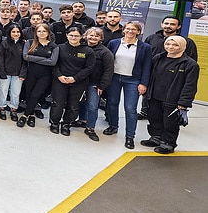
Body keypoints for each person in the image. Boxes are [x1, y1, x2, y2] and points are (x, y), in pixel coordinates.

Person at [142, 36, 199, 154]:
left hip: (173, 99)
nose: (170, 47)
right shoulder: (158, 58)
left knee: (170, 123)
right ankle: (156, 137)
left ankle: (169, 143)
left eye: (175, 45)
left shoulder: (190, 64)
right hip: (154, 95)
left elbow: (190, 85)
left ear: (183, 47)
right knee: (154, 118)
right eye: (168, 44)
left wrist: (184, 102)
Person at [104, 21, 152, 149]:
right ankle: (113, 126)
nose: (130, 31)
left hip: (133, 80)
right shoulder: (114, 43)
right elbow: (107, 61)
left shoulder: (145, 47)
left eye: (134, 29)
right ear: (123, 30)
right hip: (114, 77)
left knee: (130, 108)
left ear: (138, 32)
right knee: (112, 103)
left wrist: (143, 83)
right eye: (128, 29)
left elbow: (147, 66)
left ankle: (130, 136)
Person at [139, 15, 198, 120]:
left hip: (174, 79)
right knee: (152, 105)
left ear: (178, 27)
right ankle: (145, 112)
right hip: (155, 77)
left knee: (169, 114)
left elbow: (191, 62)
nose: (168, 26)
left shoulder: (187, 42)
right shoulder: (151, 38)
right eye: (166, 23)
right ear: (162, 24)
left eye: (172, 24)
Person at [50, 26, 95, 136]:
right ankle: (54, 123)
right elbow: (53, 64)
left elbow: (89, 68)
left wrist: (75, 78)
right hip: (60, 80)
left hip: (78, 82)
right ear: (67, 35)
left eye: (76, 35)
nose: (73, 37)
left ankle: (66, 124)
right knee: (57, 103)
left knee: (73, 105)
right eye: (71, 35)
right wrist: (59, 76)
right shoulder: (59, 48)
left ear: (81, 36)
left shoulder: (88, 51)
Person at [76, 27, 114, 141]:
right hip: (79, 81)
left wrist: (102, 85)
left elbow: (108, 70)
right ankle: (82, 120)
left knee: (92, 106)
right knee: (81, 102)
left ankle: (90, 127)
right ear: (86, 36)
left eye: (96, 36)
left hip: (94, 84)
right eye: (91, 35)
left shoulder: (105, 52)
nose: (93, 37)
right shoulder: (80, 48)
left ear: (101, 38)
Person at [19, 24, 59, 128]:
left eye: (44, 31)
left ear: (48, 33)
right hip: (31, 73)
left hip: (45, 75)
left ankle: (24, 116)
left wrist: (33, 58)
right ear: (36, 32)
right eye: (39, 31)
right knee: (28, 94)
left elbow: (53, 62)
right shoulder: (30, 42)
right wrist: (44, 60)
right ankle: (31, 115)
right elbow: (25, 57)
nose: (41, 33)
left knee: (36, 95)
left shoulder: (53, 46)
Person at [0, 25, 26, 121]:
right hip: (5, 72)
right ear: (9, 33)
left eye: (18, 32)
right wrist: (2, 73)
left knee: (15, 93)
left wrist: (22, 73)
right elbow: (0, 58)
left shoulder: (24, 44)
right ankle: (2, 108)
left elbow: (25, 60)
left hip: (18, 73)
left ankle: (14, 109)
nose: (16, 34)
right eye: (13, 32)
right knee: (3, 91)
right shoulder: (4, 43)